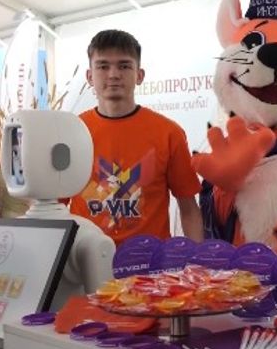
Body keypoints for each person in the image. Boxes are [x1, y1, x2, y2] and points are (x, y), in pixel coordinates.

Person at [67, 29, 203, 245]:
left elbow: (188, 209)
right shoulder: (70, 133)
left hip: (150, 262)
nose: (113, 74)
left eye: (124, 66)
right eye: (103, 66)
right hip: (83, 259)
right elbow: (51, 207)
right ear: (90, 76)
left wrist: (196, 259)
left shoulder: (169, 133)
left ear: (139, 75)